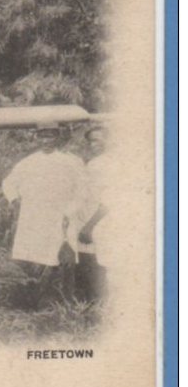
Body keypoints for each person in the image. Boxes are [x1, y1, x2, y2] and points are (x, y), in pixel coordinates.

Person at [2, 124, 87, 304]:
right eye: (42, 136)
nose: (46, 141)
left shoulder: (71, 162)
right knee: (34, 257)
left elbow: (82, 191)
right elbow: (9, 182)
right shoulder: (28, 162)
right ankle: (37, 300)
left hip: (61, 217)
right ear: (37, 138)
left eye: (50, 136)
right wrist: (15, 200)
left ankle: (65, 300)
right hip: (34, 217)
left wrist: (69, 211)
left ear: (57, 138)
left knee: (63, 259)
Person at [76, 125, 111, 301]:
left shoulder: (110, 163)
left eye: (97, 139)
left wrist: (89, 226)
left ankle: (98, 305)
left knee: (100, 264)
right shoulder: (93, 163)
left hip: (101, 221)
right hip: (89, 218)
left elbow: (111, 199)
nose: (93, 144)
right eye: (90, 141)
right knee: (89, 261)